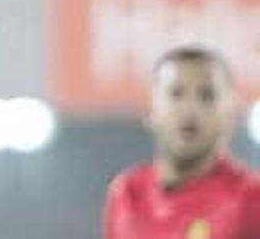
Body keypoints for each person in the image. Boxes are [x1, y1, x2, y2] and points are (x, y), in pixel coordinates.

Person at [104, 46, 260, 239]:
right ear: (151, 111)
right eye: (176, 94)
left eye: (206, 96)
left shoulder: (251, 200)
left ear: (230, 114)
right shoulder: (126, 195)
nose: (190, 109)